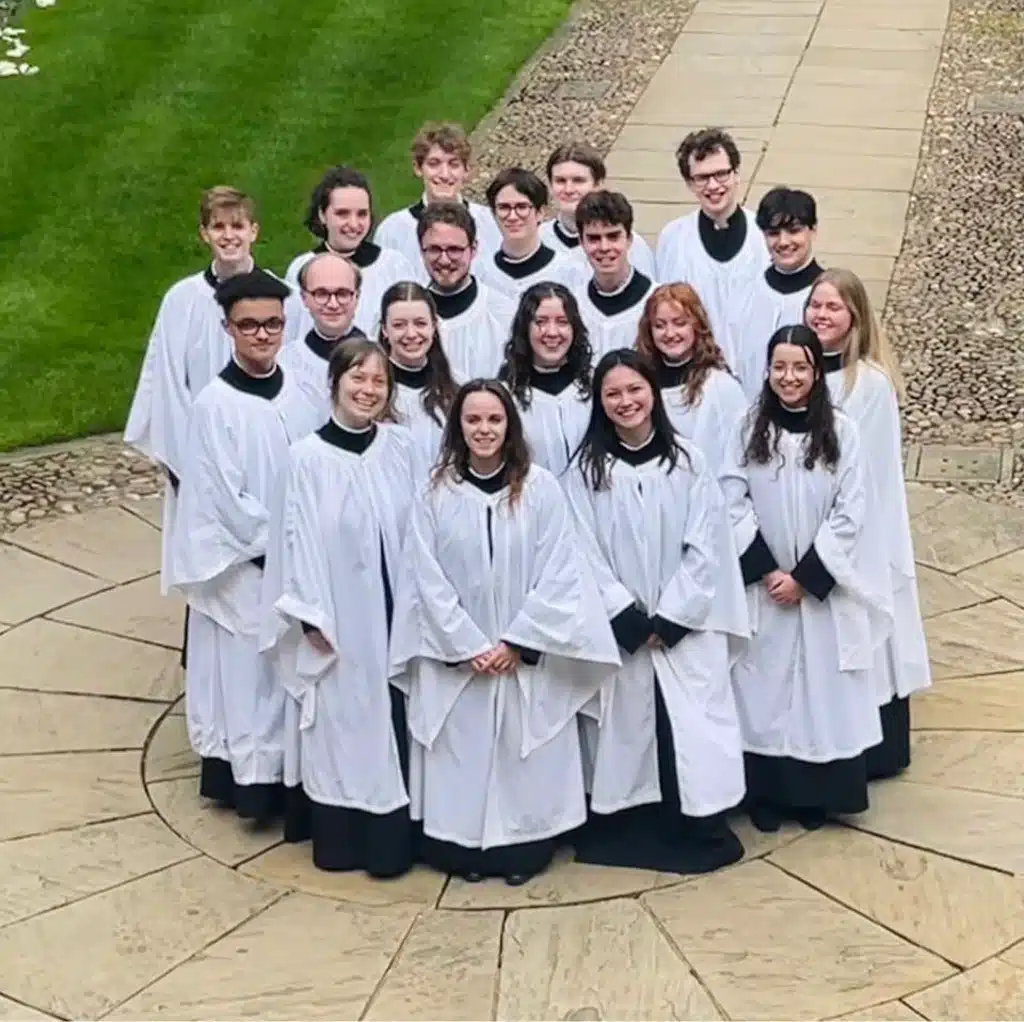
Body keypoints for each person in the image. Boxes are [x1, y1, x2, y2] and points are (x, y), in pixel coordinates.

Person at [390, 380, 620, 885]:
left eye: (494, 419)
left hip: (522, 656)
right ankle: (463, 849)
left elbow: (561, 570)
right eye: (472, 420)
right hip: (461, 662)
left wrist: (519, 641)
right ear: (458, 428)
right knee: (463, 754)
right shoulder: (435, 494)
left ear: (510, 425)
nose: (484, 430)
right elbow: (423, 577)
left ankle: (523, 847)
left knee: (524, 752)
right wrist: (466, 644)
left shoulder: (541, 489)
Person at [565, 349, 749, 874]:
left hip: (683, 628)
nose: (626, 402)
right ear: (600, 403)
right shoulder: (585, 473)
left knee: (689, 727)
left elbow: (708, 545)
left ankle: (696, 823)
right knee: (626, 726)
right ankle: (629, 826)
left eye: (635, 390)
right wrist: (624, 613)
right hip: (622, 631)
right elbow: (579, 548)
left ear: (653, 392)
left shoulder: (688, 462)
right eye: (613, 394)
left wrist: (672, 616)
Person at [720, 325, 892, 832]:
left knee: (821, 692)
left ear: (816, 372)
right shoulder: (747, 428)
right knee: (764, 690)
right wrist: (767, 570)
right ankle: (767, 795)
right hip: (767, 588)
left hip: (820, 593)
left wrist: (806, 576)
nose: (789, 377)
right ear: (767, 370)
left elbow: (852, 511)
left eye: (800, 367)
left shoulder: (842, 431)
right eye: (779, 367)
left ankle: (817, 795)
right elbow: (730, 500)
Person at [168, 269, 320, 822]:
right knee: (251, 681)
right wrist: (282, 546)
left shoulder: (301, 392)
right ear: (228, 328)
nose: (263, 335)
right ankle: (251, 786)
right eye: (249, 325)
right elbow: (222, 499)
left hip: (296, 561)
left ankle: (295, 782)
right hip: (245, 569)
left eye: (273, 324)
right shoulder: (215, 405)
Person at [261, 340, 416, 876]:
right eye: (358, 378)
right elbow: (294, 537)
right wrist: (311, 617)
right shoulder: (306, 459)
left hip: (398, 611)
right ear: (335, 383)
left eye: (379, 382)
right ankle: (347, 840)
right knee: (346, 723)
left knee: (397, 720)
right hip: (339, 619)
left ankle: (400, 839)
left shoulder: (400, 449)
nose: (368, 390)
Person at [806, 269, 930, 780]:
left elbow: (867, 470)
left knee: (867, 635)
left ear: (855, 315)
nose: (821, 315)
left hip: (861, 526)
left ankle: (877, 750)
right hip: (813, 524)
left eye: (832, 307)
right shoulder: (802, 372)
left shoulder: (870, 384)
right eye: (815, 306)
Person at [125, 186, 261, 591]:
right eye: (218, 227)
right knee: (207, 571)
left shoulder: (275, 296)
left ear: (254, 231)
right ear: (204, 234)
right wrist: (187, 462)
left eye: (237, 226)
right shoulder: (182, 300)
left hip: (258, 447)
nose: (229, 236)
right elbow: (166, 384)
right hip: (199, 452)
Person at [655, 128, 768, 347]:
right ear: (689, 183)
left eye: (721, 174)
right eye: (702, 178)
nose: (713, 185)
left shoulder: (763, 235)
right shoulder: (673, 238)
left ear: (736, 174)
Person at [284, 166, 415, 339]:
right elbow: (292, 332)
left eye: (362, 214)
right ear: (322, 215)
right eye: (342, 214)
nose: (353, 224)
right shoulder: (301, 268)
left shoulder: (394, 265)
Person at [636, 283, 747, 475]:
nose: (670, 334)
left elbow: (738, 457)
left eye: (679, 323)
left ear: (697, 325)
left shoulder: (721, 385)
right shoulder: (641, 385)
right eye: (660, 325)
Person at [373, 121, 501, 282]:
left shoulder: (491, 223)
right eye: (434, 164)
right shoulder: (392, 230)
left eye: (454, 164)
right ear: (418, 168)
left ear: (467, 170)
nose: (444, 174)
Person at [728, 187, 824, 399]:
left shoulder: (826, 298)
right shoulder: (746, 291)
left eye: (794, 231)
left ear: (813, 230)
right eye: (773, 233)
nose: (783, 242)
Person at [498, 282, 593, 477]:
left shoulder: (594, 384)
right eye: (541, 322)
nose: (552, 332)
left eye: (562, 322)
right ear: (525, 328)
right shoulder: (506, 394)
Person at [418, 201, 515, 379]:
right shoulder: (407, 319)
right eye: (434, 249)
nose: (444, 260)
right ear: (421, 251)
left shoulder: (505, 315)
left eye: (454, 250)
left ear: (474, 249)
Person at [378, 281, 459, 481]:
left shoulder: (458, 387)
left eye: (420, 323)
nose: (411, 334)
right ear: (385, 330)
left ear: (434, 326)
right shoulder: (371, 392)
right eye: (399, 325)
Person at [541, 142, 655, 277]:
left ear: (598, 184)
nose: (568, 189)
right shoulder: (538, 239)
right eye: (560, 181)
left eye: (578, 180)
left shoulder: (630, 246)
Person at [277, 252, 365, 425]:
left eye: (342, 293)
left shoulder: (381, 358)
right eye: (321, 294)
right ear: (304, 298)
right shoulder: (285, 363)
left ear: (357, 296)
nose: (333, 304)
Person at [571, 191, 656, 361]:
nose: (604, 247)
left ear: (629, 239)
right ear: (581, 242)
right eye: (594, 238)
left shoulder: (655, 302)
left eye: (613, 236)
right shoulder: (574, 305)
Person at [478, 167, 578, 299]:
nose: (512, 216)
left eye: (522, 207)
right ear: (493, 213)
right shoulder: (479, 273)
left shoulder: (570, 273)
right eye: (504, 207)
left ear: (540, 212)